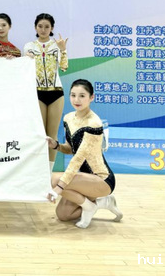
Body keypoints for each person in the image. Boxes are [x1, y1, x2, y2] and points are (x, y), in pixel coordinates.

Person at [46, 79, 123, 229]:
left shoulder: (94, 123)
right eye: (73, 95)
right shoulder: (68, 118)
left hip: (101, 179)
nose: (77, 100)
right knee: (63, 215)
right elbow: (70, 148)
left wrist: (59, 188)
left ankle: (89, 207)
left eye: (82, 96)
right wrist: (55, 145)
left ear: (91, 97)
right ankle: (102, 203)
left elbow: (78, 158)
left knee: (54, 180)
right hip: (84, 178)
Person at [23, 13, 68, 172]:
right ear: (35, 27)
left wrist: (63, 50)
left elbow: (64, 67)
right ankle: (38, 172)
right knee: (40, 135)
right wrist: (26, 59)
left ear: (52, 28)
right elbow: (25, 71)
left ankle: (48, 173)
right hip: (37, 93)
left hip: (56, 93)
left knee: (52, 135)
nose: (43, 30)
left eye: (47, 27)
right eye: (40, 26)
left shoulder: (57, 45)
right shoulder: (28, 46)